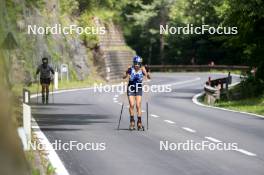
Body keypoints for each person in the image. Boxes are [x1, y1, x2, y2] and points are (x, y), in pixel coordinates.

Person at [123, 56, 150, 130]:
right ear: (133, 63)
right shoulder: (130, 68)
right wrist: (127, 72)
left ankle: (139, 122)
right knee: (132, 104)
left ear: (140, 63)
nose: (137, 65)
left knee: (138, 105)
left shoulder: (143, 69)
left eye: (138, 63)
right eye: (135, 63)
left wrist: (147, 71)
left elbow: (149, 77)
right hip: (131, 88)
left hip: (139, 88)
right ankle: (132, 121)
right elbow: (124, 77)